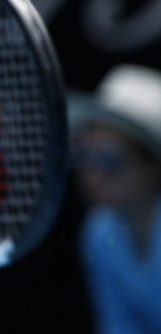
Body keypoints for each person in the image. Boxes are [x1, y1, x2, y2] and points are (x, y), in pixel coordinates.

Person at [69, 64, 161, 334]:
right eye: (84, 157)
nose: (92, 175)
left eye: (110, 160)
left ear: (153, 165)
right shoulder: (98, 232)